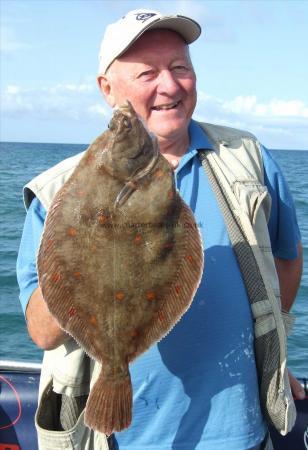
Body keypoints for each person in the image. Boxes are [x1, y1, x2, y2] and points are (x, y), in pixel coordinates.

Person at [16, 9, 303, 450]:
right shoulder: (58, 191)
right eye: (147, 73)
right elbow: (42, 333)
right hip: (120, 439)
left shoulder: (248, 159)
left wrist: (274, 347)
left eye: (180, 67)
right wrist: (85, 251)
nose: (169, 86)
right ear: (107, 89)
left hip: (242, 432)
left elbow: (286, 255)